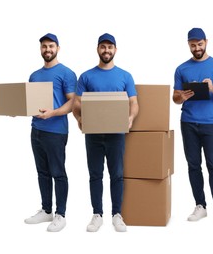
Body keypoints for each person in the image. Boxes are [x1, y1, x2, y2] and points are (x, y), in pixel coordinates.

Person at [72, 33, 139, 232]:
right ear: (98, 49)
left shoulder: (125, 76)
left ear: (115, 50)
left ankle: (117, 214)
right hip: (93, 134)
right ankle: (97, 214)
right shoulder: (86, 76)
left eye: (110, 47)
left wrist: (130, 118)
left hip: (116, 133)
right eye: (103, 47)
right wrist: (79, 118)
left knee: (117, 174)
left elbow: (134, 103)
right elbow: (76, 103)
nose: (106, 50)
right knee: (95, 174)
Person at [172, 28, 213, 227]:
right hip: (188, 122)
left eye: (199, 44)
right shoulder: (181, 69)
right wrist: (182, 96)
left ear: (206, 42)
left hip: (211, 123)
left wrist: (212, 89)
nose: (196, 48)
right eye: (192, 45)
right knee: (193, 165)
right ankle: (200, 205)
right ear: (188, 44)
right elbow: (175, 99)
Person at [24, 33, 77, 232]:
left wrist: (53, 113)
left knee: (58, 172)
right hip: (36, 130)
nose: (48, 49)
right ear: (40, 49)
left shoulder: (66, 73)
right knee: (42, 172)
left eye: (51, 46)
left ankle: (60, 214)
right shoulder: (34, 75)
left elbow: (73, 102)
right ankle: (46, 210)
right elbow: (29, 102)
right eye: (44, 46)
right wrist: (16, 109)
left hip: (56, 131)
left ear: (58, 48)